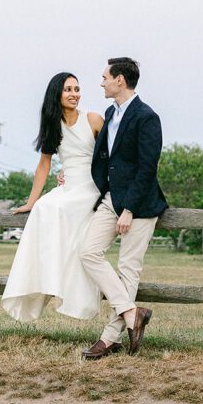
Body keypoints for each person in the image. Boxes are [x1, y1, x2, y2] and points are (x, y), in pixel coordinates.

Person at [79, 57, 168, 358]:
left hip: (140, 205)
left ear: (120, 80)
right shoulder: (109, 112)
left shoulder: (147, 117)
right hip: (110, 199)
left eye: (105, 77)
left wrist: (129, 208)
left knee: (129, 270)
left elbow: (147, 168)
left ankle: (108, 338)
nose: (101, 82)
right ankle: (133, 315)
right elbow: (104, 157)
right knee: (88, 251)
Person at [1, 72, 104, 321]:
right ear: (57, 94)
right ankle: (46, 278)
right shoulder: (53, 125)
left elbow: (108, 157)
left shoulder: (93, 119)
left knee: (61, 209)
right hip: (68, 185)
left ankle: (66, 283)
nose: (74, 94)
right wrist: (31, 200)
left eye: (77, 89)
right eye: (68, 89)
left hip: (90, 186)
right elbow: (43, 165)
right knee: (44, 207)